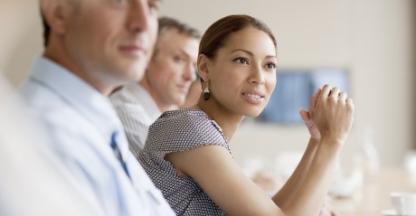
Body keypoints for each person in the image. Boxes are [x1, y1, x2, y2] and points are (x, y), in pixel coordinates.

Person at [139, 14, 354, 215]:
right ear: (204, 67)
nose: (259, 77)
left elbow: (274, 210)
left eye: (269, 65)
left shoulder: (199, 127)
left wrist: (317, 140)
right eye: (242, 60)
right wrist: (333, 141)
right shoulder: (191, 130)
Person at [20, 0, 174, 215]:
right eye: (119, 2)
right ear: (59, 13)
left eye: (151, 6)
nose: (143, 24)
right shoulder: (42, 136)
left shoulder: (98, 123)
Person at [111, 16, 200, 155]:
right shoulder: (124, 111)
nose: (190, 76)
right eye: (179, 59)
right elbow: (187, 172)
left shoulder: (173, 117)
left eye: (194, 66)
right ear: (147, 57)